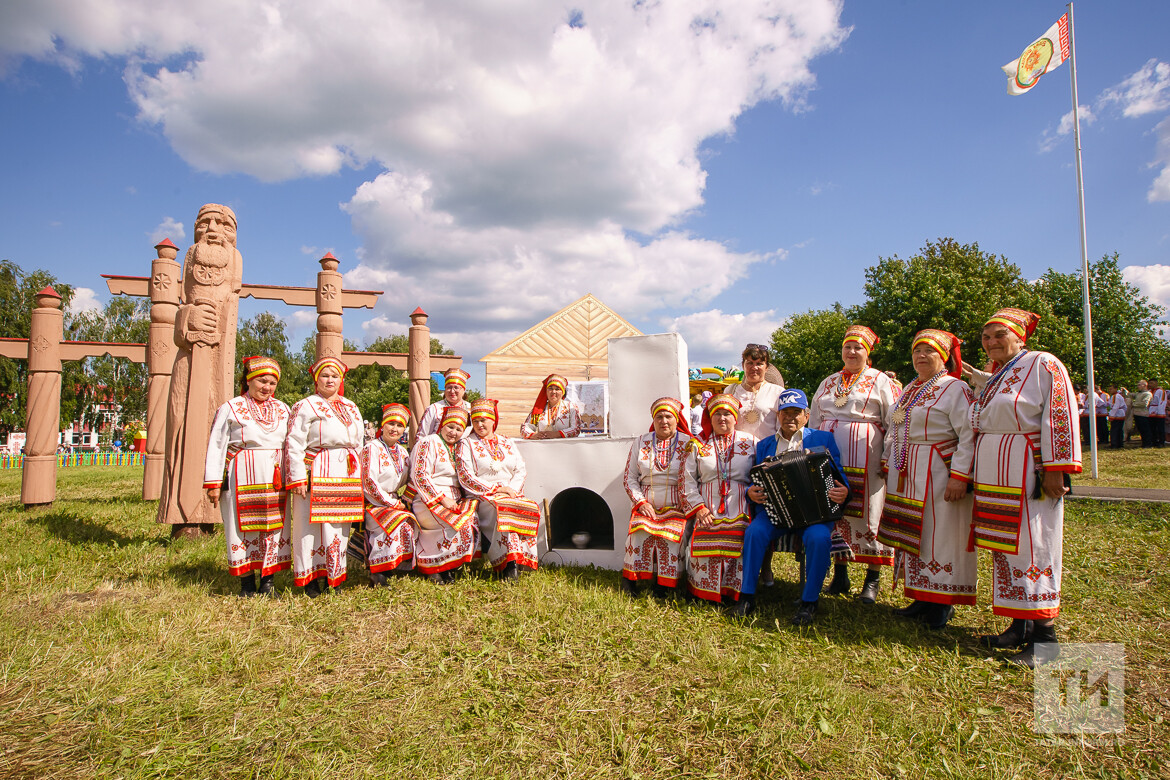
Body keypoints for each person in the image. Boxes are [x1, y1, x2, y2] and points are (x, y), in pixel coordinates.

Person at [971, 308, 1080, 667]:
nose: (991, 342)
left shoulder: (1042, 364)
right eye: (986, 337)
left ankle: (1045, 638)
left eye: (999, 335)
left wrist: (1056, 467)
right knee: (1006, 547)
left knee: (1033, 545)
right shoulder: (998, 374)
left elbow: (1059, 413)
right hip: (996, 472)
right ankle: (1019, 625)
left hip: (1026, 470)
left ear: (1020, 336)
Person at [876, 330, 976, 630]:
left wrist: (960, 475)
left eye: (929, 351)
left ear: (943, 356)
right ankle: (921, 596)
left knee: (940, 534)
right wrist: (888, 456)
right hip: (908, 470)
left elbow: (968, 433)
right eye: (917, 350)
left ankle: (942, 603)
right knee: (915, 534)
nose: (921, 356)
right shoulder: (910, 388)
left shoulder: (954, 388)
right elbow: (897, 427)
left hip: (938, 469)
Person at [158, 203, 244, 536]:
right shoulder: (193, 255)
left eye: (224, 224)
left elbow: (230, 311)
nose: (213, 230)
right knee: (181, 423)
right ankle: (181, 514)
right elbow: (182, 303)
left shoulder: (235, 261)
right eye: (205, 222)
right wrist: (186, 318)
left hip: (219, 366)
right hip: (188, 361)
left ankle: (211, 513)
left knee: (217, 428)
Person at [735, 389, 850, 624]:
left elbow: (840, 477)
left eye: (796, 412)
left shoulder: (822, 439)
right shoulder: (765, 445)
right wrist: (750, 492)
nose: (790, 417)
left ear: (807, 415)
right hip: (775, 511)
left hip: (814, 513)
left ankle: (809, 602)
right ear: (778, 416)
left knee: (819, 538)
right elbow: (753, 479)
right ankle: (746, 596)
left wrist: (844, 491)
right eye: (785, 412)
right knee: (755, 532)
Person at [808, 325, 898, 604]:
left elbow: (893, 418)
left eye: (858, 347)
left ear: (867, 352)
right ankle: (840, 573)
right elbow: (814, 417)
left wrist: (888, 454)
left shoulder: (880, 380)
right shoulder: (828, 381)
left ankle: (872, 579)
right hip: (831, 456)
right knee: (835, 509)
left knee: (871, 511)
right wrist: (812, 451)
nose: (852, 352)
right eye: (847, 347)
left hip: (867, 456)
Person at [204, 356, 291, 597]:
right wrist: (213, 482)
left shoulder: (283, 409)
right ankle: (246, 584)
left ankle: (268, 582)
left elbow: (292, 444)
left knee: (274, 528)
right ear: (249, 380)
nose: (267, 387)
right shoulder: (231, 408)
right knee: (240, 528)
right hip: (241, 474)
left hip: (275, 477)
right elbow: (217, 444)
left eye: (272, 383)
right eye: (262, 381)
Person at [285, 357, 366, 597]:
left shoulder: (351, 406)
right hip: (316, 468)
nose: (330, 380)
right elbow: (294, 442)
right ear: (316, 379)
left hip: (346, 470)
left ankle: (335, 576)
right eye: (325, 375)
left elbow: (360, 442)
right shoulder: (306, 405)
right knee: (309, 525)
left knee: (339, 526)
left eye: (334, 376)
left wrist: (359, 474)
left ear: (341, 380)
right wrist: (298, 476)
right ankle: (311, 579)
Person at [680, 394, 756, 604]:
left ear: (735, 417)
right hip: (708, 504)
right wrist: (699, 509)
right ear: (710, 418)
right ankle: (703, 591)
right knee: (705, 537)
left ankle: (734, 592)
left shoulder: (750, 442)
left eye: (727, 414)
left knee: (738, 541)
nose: (722, 418)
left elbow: (761, 473)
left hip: (741, 503)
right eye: (717, 414)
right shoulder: (698, 444)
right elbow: (686, 480)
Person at [457, 399, 542, 579]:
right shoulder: (466, 444)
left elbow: (520, 468)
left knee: (529, 506)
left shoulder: (507, 441)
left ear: (493, 420)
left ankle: (520, 561)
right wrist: (497, 489)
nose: (480, 424)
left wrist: (511, 489)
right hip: (482, 495)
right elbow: (466, 475)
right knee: (502, 509)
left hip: (511, 492)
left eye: (484, 420)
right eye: (476, 420)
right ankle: (506, 565)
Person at [621, 397, 696, 597]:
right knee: (638, 532)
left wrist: (685, 505)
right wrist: (641, 502)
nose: (664, 421)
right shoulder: (641, 441)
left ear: (676, 419)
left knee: (672, 536)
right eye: (659, 417)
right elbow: (629, 478)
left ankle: (664, 585)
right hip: (647, 503)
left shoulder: (688, 443)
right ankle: (630, 581)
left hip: (678, 505)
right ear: (653, 420)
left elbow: (694, 478)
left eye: (668, 416)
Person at [410, 406, 480, 582]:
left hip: (454, 500)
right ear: (442, 425)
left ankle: (447, 564)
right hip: (428, 500)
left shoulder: (458, 448)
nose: (453, 433)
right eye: (450, 427)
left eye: (458, 429)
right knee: (457, 523)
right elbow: (419, 475)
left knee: (472, 520)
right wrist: (442, 499)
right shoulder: (428, 442)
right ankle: (431, 566)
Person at [361, 403, 417, 586]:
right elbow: (369, 481)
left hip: (394, 500)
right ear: (382, 426)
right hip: (373, 502)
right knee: (392, 523)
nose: (395, 429)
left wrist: (405, 499)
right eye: (391, 424)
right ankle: (378, 572)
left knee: (411, 521)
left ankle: (394, 565)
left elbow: (412, 477)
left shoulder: (402, 452)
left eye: (400, 425)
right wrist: (390, 503)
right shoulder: (372, 448)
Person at [726, 344, 784, 441]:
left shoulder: (778, 392)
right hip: (737, 452)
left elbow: (782, 429)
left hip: (768, 451)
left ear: (766, 367)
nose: (754, 367)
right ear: (743, 365)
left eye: (759, 363)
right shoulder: (730, 391)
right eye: (750, 363)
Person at [417, 368, 472, 440]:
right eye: (449, 387)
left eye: (456, 388)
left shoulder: (471, 409)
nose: (452, 391)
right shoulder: (434, 408)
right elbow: (422, 436)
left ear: (463, 390)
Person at [521, 373, 581, 439]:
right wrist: (533, 435)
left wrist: (558, 434)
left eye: (557, 389)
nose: (553, 392)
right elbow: (525, 428)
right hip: (543, 446)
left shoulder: (571, 407)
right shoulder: (539, 409)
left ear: (562, 392)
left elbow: (576, 429)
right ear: (546, 391)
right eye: (550, 388)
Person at [1107, 385, 1127, 449]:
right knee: (1119, 429)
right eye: (1109, 389)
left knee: (1115, 430)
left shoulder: (1116, 396)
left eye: (1111, 389)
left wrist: (1112, 415)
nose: (1110, 391)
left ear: (1115, 389)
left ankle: (1114, 444)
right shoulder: (1118, 396)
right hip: (1120, 413)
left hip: (1117, 414)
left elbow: (1115, 406)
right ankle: (1119, 443)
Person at [1150, 379, 1166, 448]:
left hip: (1159, 411)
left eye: (1152, 383)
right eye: (1149, 383)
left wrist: (1160, 411)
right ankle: (1154, 441)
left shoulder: (1161, 391)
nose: (1150, 384)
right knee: (1152, 427)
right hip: (1151, 410)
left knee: (1160, 428)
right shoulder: (1149, 391)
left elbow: (1162, 401)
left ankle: (1161, 442)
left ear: (1156, 383)